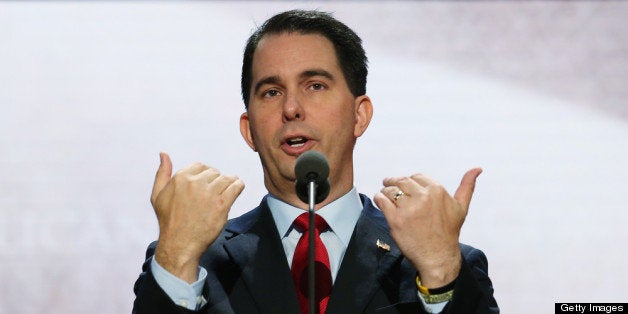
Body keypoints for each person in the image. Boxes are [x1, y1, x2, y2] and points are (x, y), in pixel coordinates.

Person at [133, 9, 498, 314]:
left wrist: (440, 270)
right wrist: (177, 257)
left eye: (315, 85)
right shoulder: (194, 260)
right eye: (272, 92)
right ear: (249, 130)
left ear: (360, 116)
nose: (291, 108)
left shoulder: (430, 260)